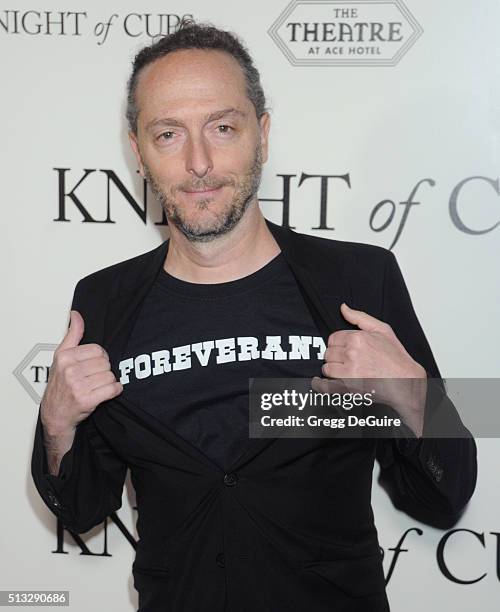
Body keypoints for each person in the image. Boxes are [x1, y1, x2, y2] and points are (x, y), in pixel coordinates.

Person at [31, 19, 477, 612]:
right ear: (137, 152)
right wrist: (57, 424)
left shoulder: (359, 280)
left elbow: (445, 494)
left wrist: (416, 396)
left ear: (262, 135)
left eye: (222, 127)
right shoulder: (103, 300)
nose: (198, 163)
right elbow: (82, 508)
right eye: (168, 134)